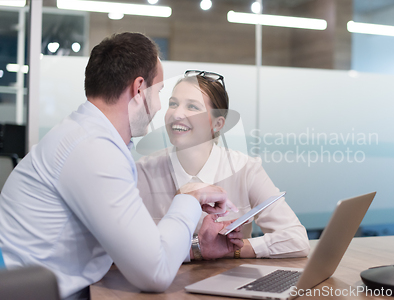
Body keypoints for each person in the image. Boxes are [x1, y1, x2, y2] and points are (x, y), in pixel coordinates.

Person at [0, 33, 243, 300]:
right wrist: (188, 197)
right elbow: (155, 274)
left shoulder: (87, 136)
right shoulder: (94, 150)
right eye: (160, 93)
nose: (160, 106)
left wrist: (198, 248)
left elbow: (138, 251)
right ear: (139, 89)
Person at [136, 70, 310, 259]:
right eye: (173, 104)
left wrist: (235, 249)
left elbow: (297, 239)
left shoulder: (245, 169)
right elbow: (126, 248)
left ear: (218, 124)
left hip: (231, 280)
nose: (177, 114)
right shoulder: (143, 172)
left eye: (193, 107)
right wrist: (199, 250)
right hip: (163, 285)